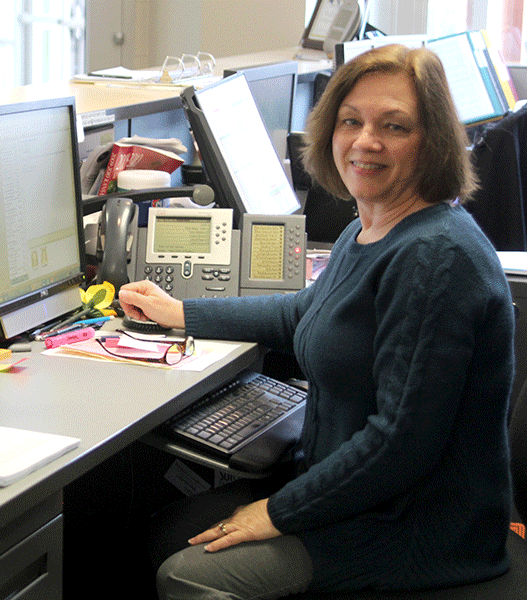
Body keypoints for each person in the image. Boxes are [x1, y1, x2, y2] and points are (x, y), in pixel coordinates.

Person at [120, 44, 516, 599]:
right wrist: (180, 312)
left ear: (432, 143)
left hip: (412, 528)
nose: (365, 141)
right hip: (358, 496)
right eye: (351, 121)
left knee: (186, 572)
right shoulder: (368, 229)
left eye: (394, 126)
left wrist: (277, 512)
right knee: (151, 526)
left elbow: (399, 442)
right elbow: (304, 311)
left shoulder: (435, 259)